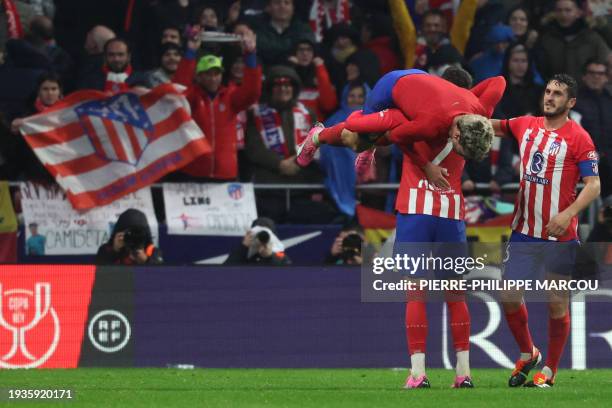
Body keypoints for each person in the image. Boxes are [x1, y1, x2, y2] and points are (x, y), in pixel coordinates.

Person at [490, 73, 601, 387]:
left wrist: (568, 214)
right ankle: (528, 354)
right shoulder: (526, 125)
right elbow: (496, 126)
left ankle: (549, 371)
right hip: (525, 229)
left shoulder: (579, 138)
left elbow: (593, 186)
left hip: (559, 235)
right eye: (549, 91)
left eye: (558, 94)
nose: (550, 97)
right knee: (509, 296)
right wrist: (461, 117)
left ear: (571, 103)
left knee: (556, 302)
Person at [296, 69, 505, 171]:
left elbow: (499, 81)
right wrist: (425, 166)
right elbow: (397, 137)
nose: (462, 156)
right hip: (392, 85)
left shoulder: (480, 109)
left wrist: (474, 105)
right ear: (457, 134)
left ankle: (370, 142)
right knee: (358, 137)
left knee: (384, 130)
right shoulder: (429, 126)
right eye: (462, 151)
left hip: (421, 88)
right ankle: (317, 137)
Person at [172, 25, 261, 180]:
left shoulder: (230, 97)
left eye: (216, 74)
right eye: (207, 74)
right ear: (198, 76)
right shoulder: (192, 97)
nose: (213, 78)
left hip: (225, 173)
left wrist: (250, 54)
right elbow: (178, 89)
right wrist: (191, 52)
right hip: (194, 172)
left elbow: (252, 93)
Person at [536, 0, 610, 81]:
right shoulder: (547, 39)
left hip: (585, 90)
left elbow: (606, 63)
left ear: (578, 13)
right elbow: (541, 68)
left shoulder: (591, 38)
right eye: (559, 10)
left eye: (568, 10)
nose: (563, 14)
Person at [571, 59, 612, 198]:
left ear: (606, 77)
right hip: (586, 159)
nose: (596, 77)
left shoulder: (610, 99)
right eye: (592, 73)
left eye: (600, 73)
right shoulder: (574, 101)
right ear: (584, 76)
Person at [249, 0, 314, 66]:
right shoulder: (257, 27)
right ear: (268, 7)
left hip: (295, 72)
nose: (282, 6)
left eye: (287, 3)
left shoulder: (303, 29)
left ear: (293, 8)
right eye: (277, 3)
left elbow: (307, 51)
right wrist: (286, 57)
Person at [77, 37, 146, 93]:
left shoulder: (140, 78)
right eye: (111, 55)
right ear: (104, 57)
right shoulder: (91, 80)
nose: (116, 59)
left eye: (120, 54)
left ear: (128, 57)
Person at [96, 208, 162, 265]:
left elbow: (160, 275)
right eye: (130, 233)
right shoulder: (105, 250)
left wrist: (145, 260)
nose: (134, 237)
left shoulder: (152, 251)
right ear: (119, 232)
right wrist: (114, 251)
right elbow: (101, 274)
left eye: (138, 233)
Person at [225, 217, 291, 265]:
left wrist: (270, 256)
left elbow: (287, 267)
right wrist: (243, 247)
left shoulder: (278, 253)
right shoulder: (243, 251)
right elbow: (225, 269)